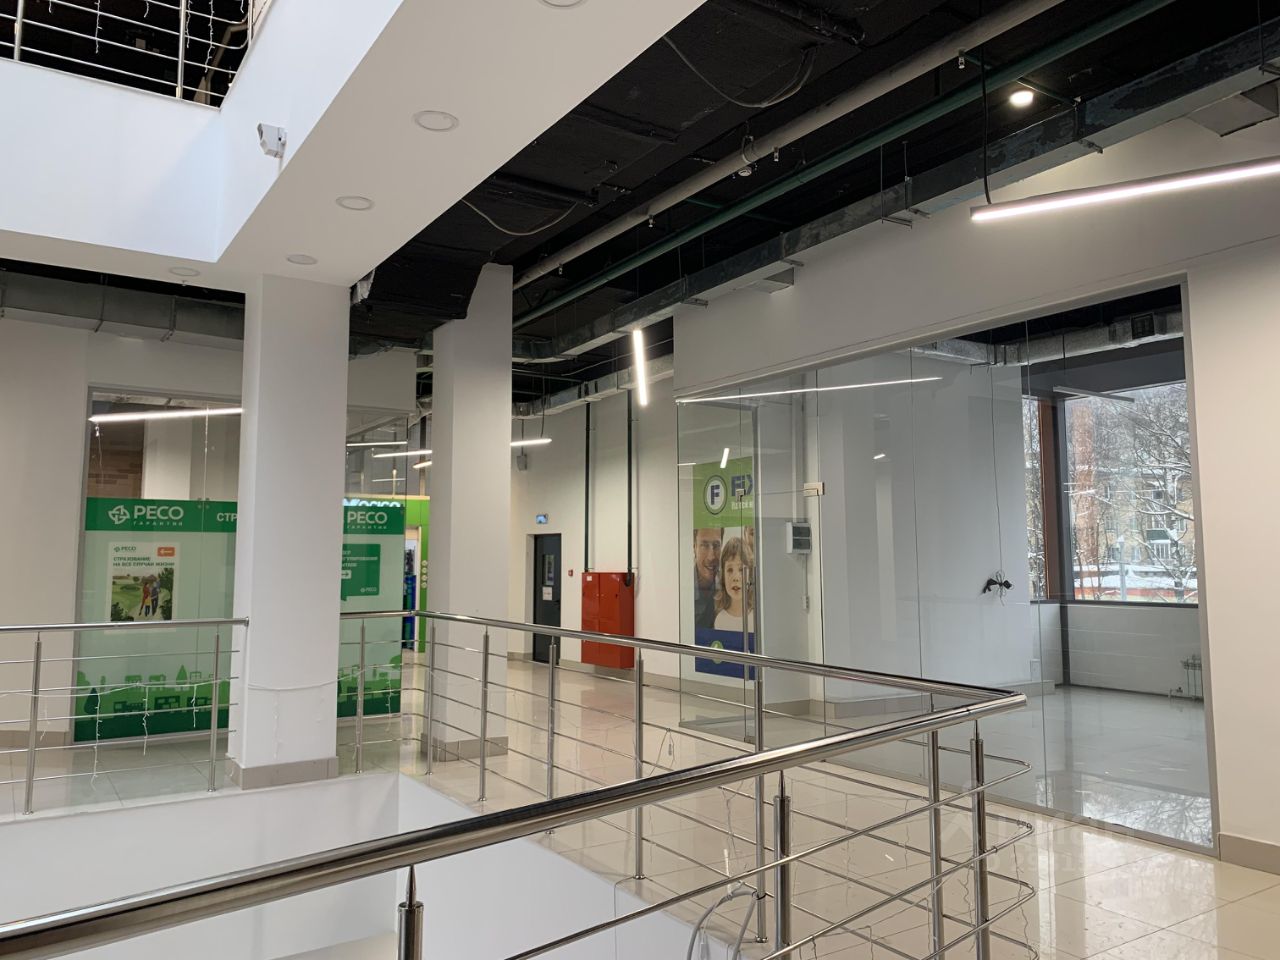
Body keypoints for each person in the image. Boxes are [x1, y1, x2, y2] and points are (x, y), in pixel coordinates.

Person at [713, 537, 754, 633]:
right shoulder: (720, 620)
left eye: (741, 570)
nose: (736, 577)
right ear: (723, 576)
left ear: (750, 575)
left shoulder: (757, 617)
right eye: (730, 570)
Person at [693, 528, 723, 629]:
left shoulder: (727, 589)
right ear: (694, 547)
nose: (711, 556)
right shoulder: (682, 587)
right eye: (704, 545)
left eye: (716, 545)